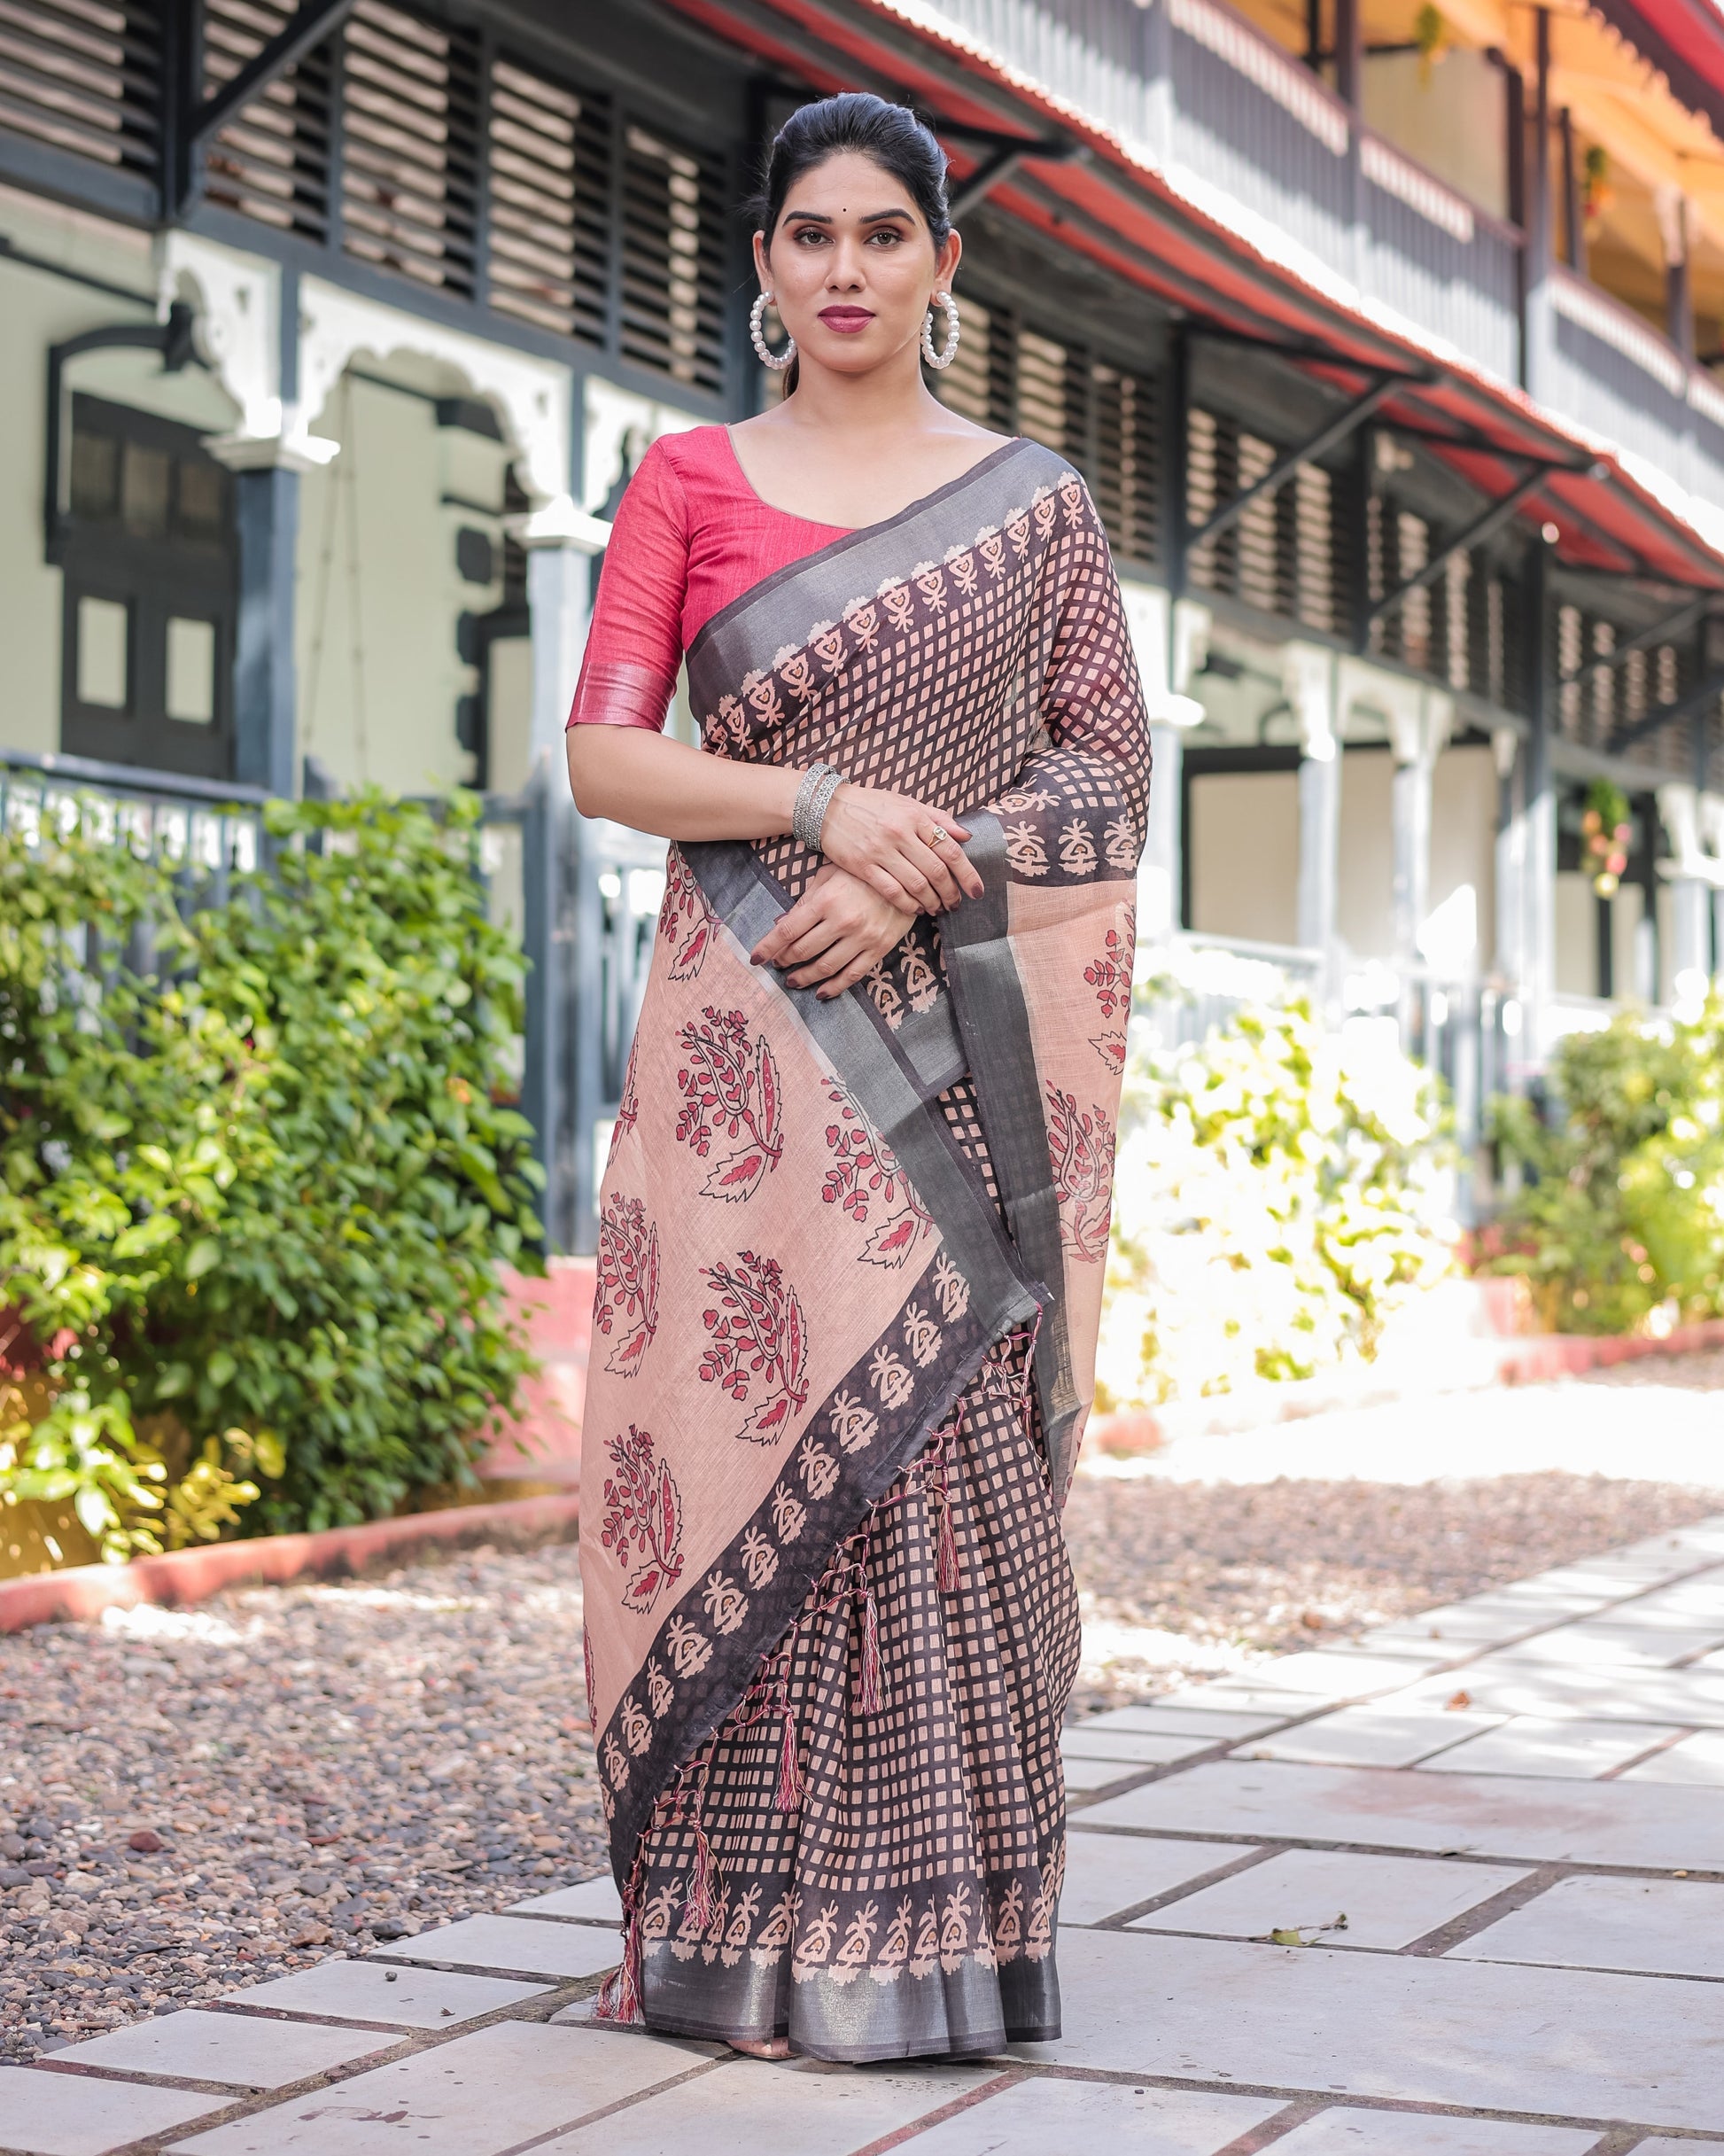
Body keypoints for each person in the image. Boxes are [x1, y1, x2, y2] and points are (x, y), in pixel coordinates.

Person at [566, 90, 1151, 2065]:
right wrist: (822, 804)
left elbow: (1105, 774)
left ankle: (940, 1941)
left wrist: (923, 860)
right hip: (748, 1053)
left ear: (941, 263)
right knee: (746, 1436)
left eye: (881, 234)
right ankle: (736, 1939)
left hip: (953, 1053)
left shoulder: (1034, 502)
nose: (843, 268)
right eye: (808, 234)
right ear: (761, 264)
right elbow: (606, 756)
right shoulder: (686, 482)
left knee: (947, 1449)